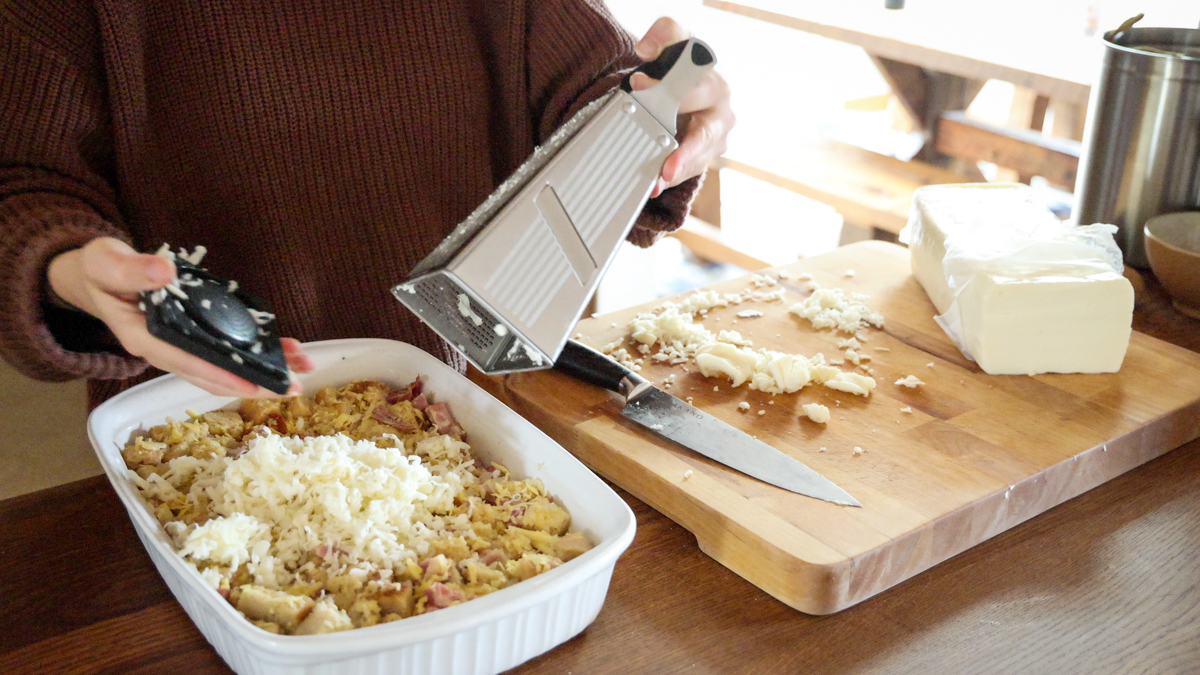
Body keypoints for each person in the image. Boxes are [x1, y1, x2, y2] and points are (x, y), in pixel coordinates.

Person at [0, 2, 734, 409]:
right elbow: (25, 183)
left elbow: (593, 90)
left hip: (476, 422)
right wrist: (66, 267)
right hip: (203, 424)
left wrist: (657, 119)